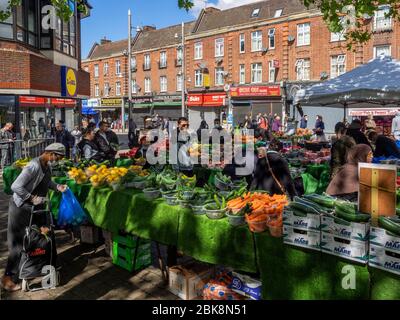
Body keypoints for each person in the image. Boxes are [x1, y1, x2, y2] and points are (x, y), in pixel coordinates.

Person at [0, 143, 67, 292]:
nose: (58, 160)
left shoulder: (46, 165)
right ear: (50, 153)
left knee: (38, 238)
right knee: (18, 244)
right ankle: (7, 278)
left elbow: (47, 182)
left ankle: (32, 267)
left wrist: (58, 187)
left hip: (35, 208)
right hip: (21, 207)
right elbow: (15, 186)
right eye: (58, 157)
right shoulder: (34, 166)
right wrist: (31, 198)